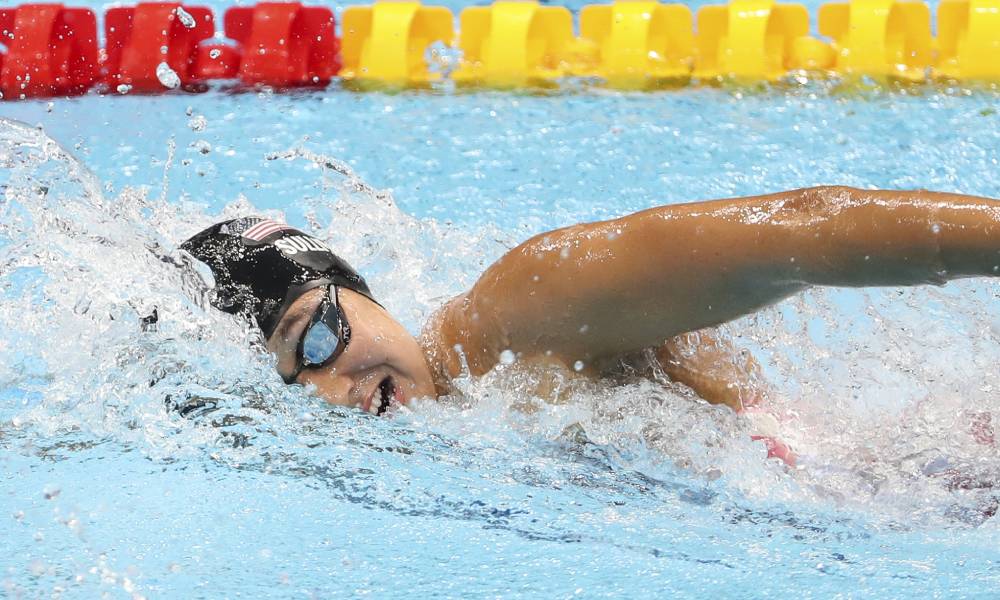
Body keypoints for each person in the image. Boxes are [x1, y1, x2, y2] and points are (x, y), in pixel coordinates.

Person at [181, 185, 1000, 430]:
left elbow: (802, 229)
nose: (334, 388)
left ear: (351, 287)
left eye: (317, 337)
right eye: (296, 382)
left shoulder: (523, 312)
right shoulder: (464, 416)